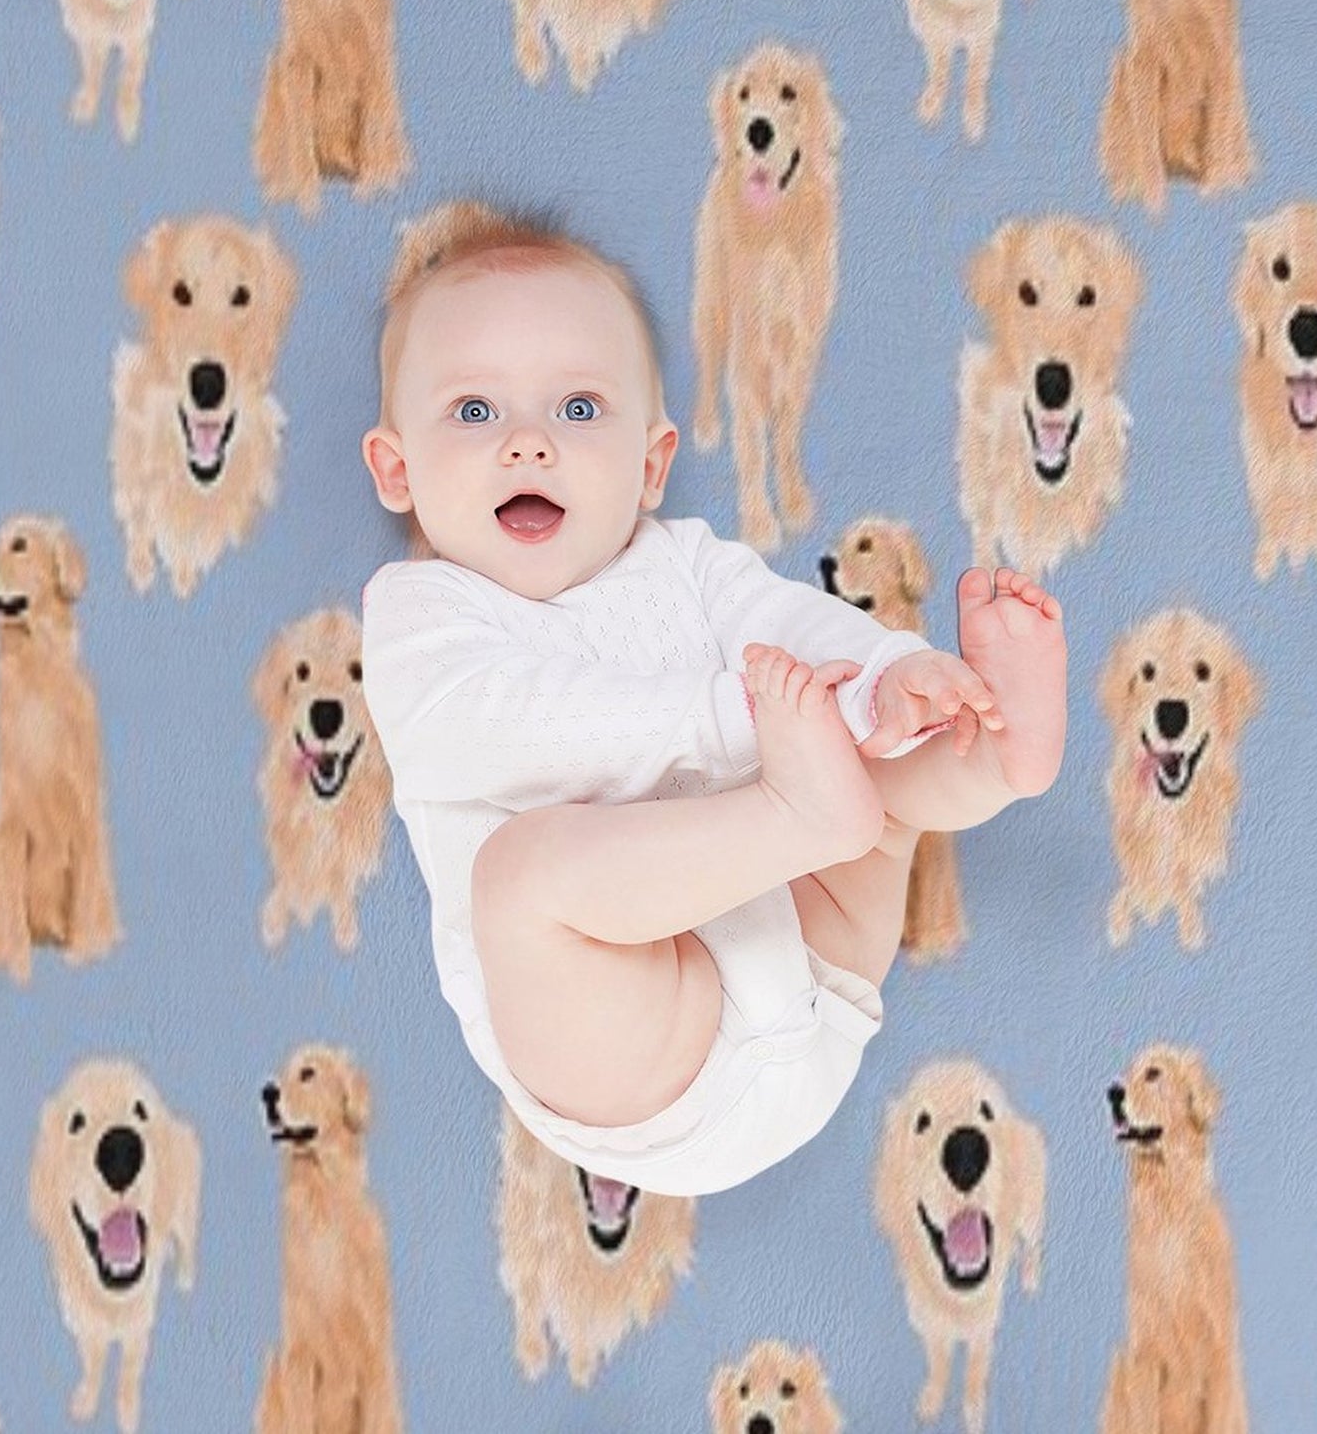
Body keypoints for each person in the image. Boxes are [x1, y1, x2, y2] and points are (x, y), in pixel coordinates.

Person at [359, 215, 1067, 1196]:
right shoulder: (420, 614)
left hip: (815, 958)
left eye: (577, 407)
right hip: (645, 1051)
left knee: (874, 760)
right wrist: (737, 719)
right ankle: (805, 810)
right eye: (474, 411)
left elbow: (791, 625)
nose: (528, 444)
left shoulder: (683, 561)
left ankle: (988, 751)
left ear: (650, 464)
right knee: (519, 877)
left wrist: (885, 676)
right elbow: (509, 726)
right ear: (396, 469)